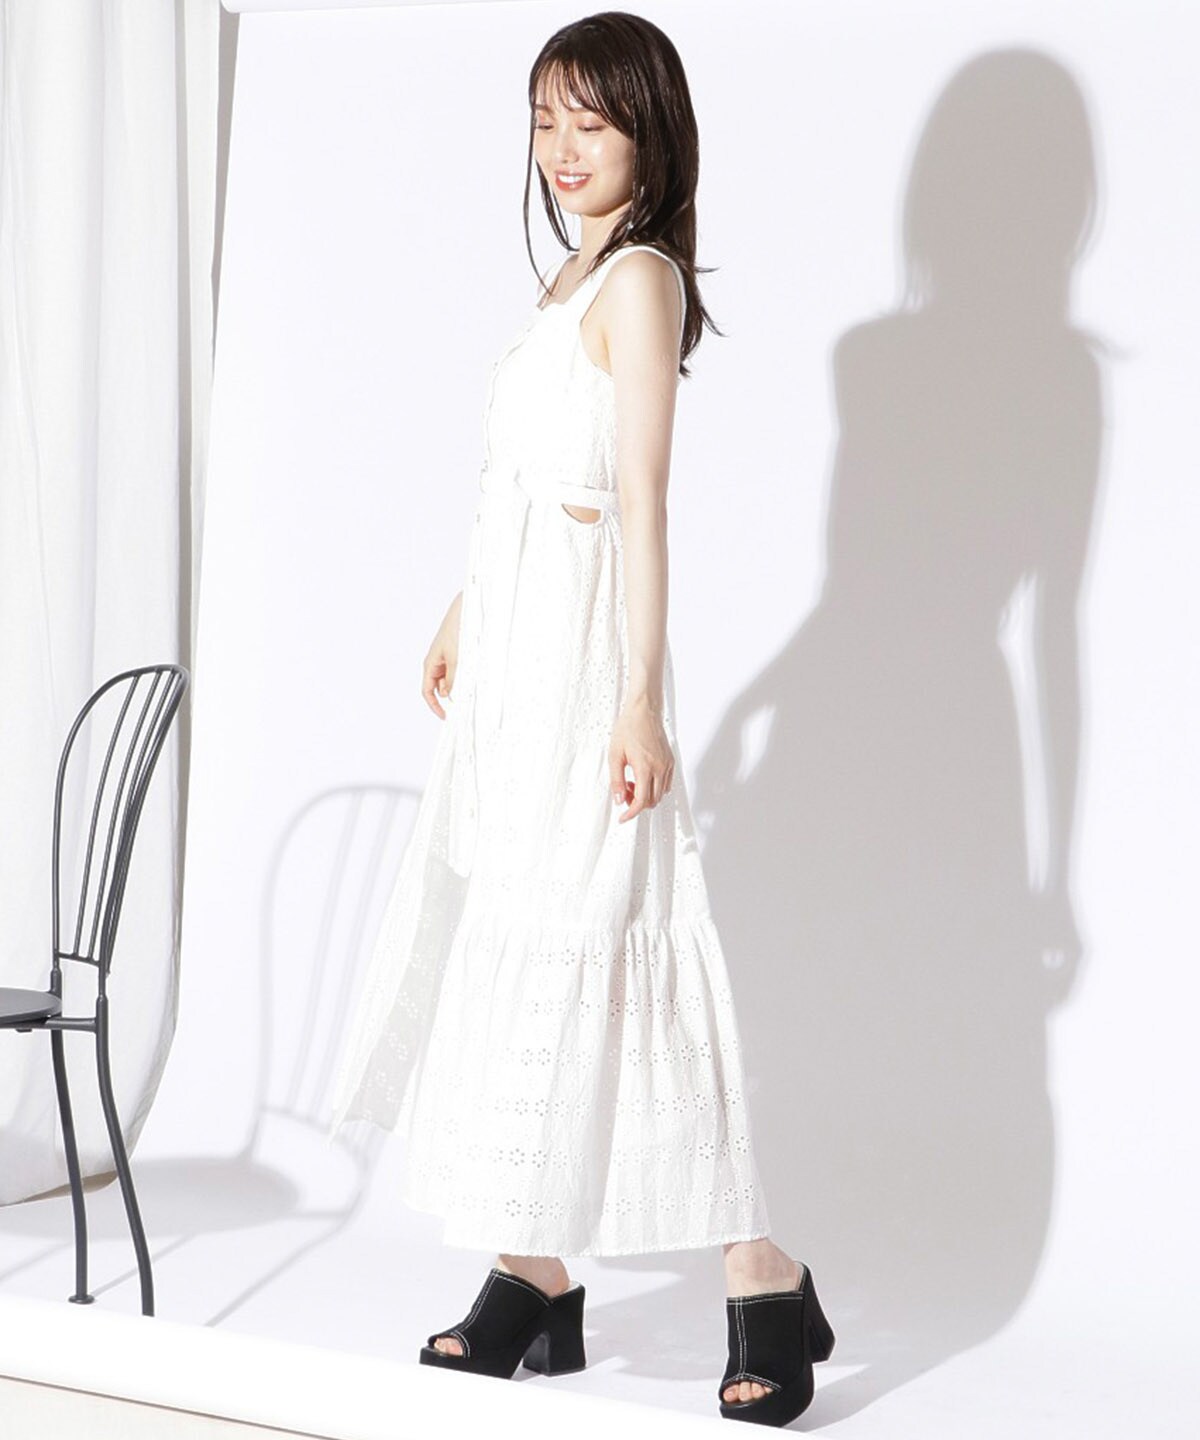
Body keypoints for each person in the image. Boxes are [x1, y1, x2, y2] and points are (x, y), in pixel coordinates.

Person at [326, 11, 835, 1426]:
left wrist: (640, 699)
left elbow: (643, 508)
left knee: (620, 951)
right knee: (527, 939)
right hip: (518, 672)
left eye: (591, 123)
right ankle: (535, 1274)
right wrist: (464, 608)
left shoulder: (642, 282)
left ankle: (765, 1273)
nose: (562, 148)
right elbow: (530, 490)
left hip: (586, 677)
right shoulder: (569, 279)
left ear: (649, 138)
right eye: (547, 119)